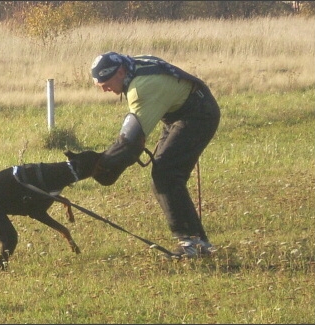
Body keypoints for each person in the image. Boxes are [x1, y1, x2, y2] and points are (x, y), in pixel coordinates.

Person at [90, 52, 220, 258]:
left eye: (106, 83)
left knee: (166, 175)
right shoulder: (134, 66)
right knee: (164, 174)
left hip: (198, 115)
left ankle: (192, 244)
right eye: (101, 85)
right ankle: (198, 242)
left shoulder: (140, 88)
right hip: (180, 112)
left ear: (121, 72)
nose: (105, 89)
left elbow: (129, 142)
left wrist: (100, 167)